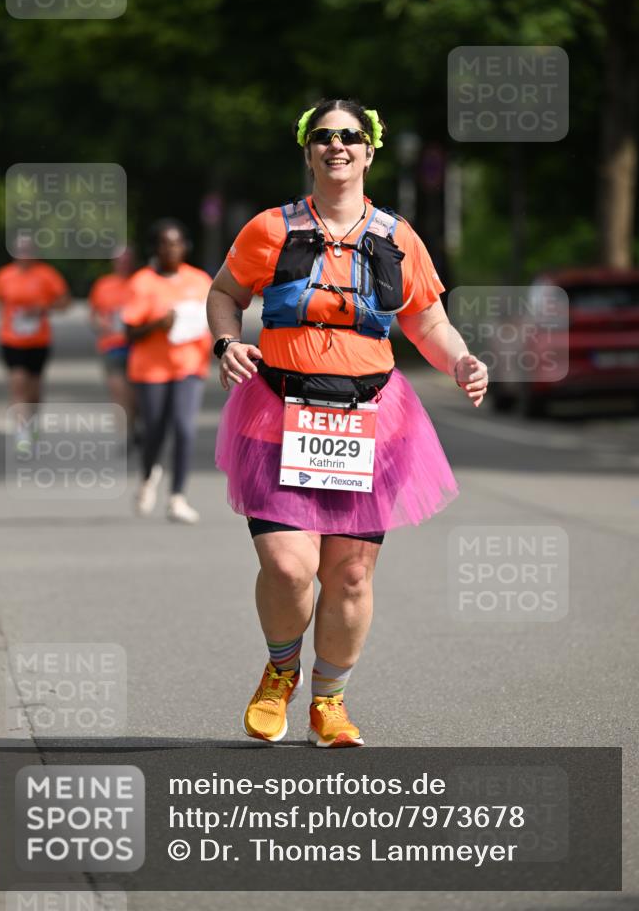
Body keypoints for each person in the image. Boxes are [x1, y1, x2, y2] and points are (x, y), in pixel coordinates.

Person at [207, 98, 488, 748]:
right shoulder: (268, 229)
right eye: (324, 137)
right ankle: (281, 671)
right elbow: (223, 294)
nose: (338, 146)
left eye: (351, 137)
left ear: (369, 151)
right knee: (286, 566)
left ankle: (328, 700)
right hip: (278, 414)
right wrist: (227, 344)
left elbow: (426, 320)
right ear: (307, 151)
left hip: (370, 421)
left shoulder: (397, 237)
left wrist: (461, 360)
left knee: (352, 574)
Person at [121, 219, 212, 524]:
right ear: (155, 248)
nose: (170, 248)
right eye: (164, 243)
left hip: (189, 366)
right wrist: (157, 325)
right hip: (151, 369)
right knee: (155, 430)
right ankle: (148, 475)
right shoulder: (142, 282)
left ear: (185, 246)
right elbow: (129, 332)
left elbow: (215, 318)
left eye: (175, 242)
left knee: (184, 428)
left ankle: (177, 498)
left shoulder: (200, 280)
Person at [0, 234, 71, 450]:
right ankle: (21, 430)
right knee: (17, 384)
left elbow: (64, 302)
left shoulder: (46, 275)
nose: (25, 254)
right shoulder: (4, 275)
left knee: (34, 390)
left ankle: (32, 423)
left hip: (38, 340)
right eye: (21, 250)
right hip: (11, 339)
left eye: (29, 250)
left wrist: (41, 309)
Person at [88, 247, 137, 442]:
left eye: (127, 259)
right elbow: (94, 315)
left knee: (135, 396)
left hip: (138, 345)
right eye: (119, 260)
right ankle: (124, 434)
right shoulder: (103, 285)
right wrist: (101, 323)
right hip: (112, 345)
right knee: (118, 391)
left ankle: (135, 422)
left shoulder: (142, 281)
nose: (123, 263)